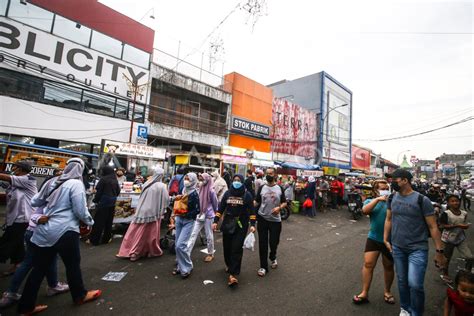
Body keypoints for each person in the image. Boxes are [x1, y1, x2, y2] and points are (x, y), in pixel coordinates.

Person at [17, 158, 100, 315]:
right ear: (81, 170)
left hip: (45, 231)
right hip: (66, 230)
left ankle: (25, 307)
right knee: (72, 265)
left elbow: (35, 201)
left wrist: (50, 208)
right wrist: (90, 222)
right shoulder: (76, 184)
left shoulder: (52, 181)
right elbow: (80, 210)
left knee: (38, 268)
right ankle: (79, 296)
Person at [383, 169, 447, 316]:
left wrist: (439, 252)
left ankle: (416, 312)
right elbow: (389, 219)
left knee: (415, 284)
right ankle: (405, 308)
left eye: (395, 180)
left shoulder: (421, 200)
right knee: (402, 281)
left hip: (417, 248)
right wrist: (385, 239)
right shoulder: (392, 198)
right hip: (398, 247)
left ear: (405, 180)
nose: (392, 182)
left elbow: (433, 226)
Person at [0, 197, 69, 309]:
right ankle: (13, 294)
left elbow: (35, 211)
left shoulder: (48, 193)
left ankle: (53, 285)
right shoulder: (61, 196)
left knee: (46, 259)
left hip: (31, 230)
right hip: (42, 233)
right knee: (36, 263)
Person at [353, 180, 395, 305]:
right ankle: (364, 292)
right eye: (382, 188)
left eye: (387, 188)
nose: (385, 190)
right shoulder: (370, 201)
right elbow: (365, 211)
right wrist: (377, 199)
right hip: (374, 238)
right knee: (368, 264)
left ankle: (387, 292)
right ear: (376, 190)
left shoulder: (393, 201)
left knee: (388, 266)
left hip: (390, 240)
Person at [116, 167, 169, 261]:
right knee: (147, 235)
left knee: (133, 231)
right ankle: (135, 253)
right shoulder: (161, 186)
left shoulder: (146, 183)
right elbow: (166, 200)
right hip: (152, 213)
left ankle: (126, 250)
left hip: (141, 211)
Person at [213, 174, 256, 286]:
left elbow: (252, 212)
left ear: (242, 182)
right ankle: (229, 265)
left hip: (241, 226)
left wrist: (252, 224)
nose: (236, 182)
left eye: (239, 180)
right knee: (227, 247)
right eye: (235, 180)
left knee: (236, 248)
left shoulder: (247, 195)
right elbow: (221, 208)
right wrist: (215, 221)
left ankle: (233, 274)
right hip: (228, 223)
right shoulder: (227, 193)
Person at [0, 161, 37, 276]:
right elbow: (5, 183)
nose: (13, 168)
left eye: (15, 166)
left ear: (21, 169)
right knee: (18, 243)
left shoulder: (28, 179)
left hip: (23, 219)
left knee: (6, 242)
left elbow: (5, 177)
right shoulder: (16, 181)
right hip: (14, 218)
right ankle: (18, 264)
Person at [255, 167, 287, 277]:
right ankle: (263, 266)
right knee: (262, 244)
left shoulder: (280, 188)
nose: (269, 175)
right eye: (267, 173)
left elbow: (284, 202)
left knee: (274, 242)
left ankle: (273, 256)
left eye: (271, 173)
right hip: (262, 219)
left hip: (275, 221)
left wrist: (279, 208)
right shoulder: (262, 187)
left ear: (275, 175)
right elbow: (256, 201)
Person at [171, 172, 200, 279]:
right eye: (185, 178)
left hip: (188, 221)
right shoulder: (183, 190)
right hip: (179, 219)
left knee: (180, 245)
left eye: (188, 179)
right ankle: (180, 266)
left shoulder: (194, 194)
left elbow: (197, 210)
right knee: (177, 245)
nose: (186, 180)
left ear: (193, 181)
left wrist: (185, 214)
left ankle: (187, 267)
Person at [439, 194, 473, 284]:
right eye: (452, 201)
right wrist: (457, 225)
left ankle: (466, 275)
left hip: (460, 238)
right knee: (447, 258)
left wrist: (464, 226)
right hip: (448, 239)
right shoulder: (446, 214)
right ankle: (445, 274)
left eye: (457, 201)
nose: (455, 203)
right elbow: (441, 225)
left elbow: (464, 223)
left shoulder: (464, 213)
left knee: (469, 257)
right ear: (448, 203)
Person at [187, 173, 218, 262]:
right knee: (193, 234)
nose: (201, 181)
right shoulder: (200, 188)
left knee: (209, 235)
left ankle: (210, 253)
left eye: (202, 179)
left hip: (209, 215)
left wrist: (216, 214)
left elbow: (215, 203)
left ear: (207, 179)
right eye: (200, 179)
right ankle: (186, 253)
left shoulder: (211, 191)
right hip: (200, 214)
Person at [89, 166, 121, 246]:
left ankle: (95, 240)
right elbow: (118, 191)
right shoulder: (114, 179)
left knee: (99, 221)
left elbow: (99, 192)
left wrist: (95, 200)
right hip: (112, 201)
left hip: (104, 201)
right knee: (108, 221)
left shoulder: (103, 179)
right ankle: (106, 239)